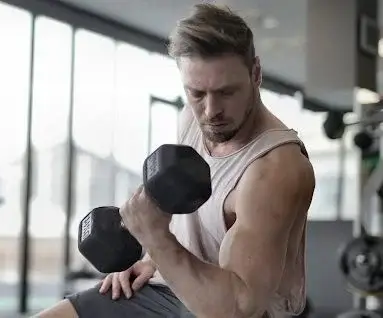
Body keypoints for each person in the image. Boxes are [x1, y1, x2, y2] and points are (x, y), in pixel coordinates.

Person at [36, 3, 315, 318]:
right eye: (196, 93)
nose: (211, 111)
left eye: (226, 92)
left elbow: (239, 308)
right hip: (172, 291)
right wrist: (151, 261)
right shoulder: (191, 121)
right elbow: (188, 223)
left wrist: (154, 238)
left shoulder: (276, 170)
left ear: (256, 74)